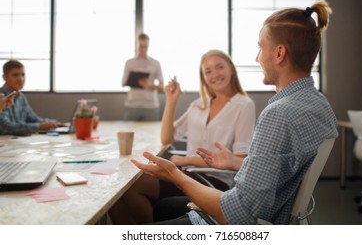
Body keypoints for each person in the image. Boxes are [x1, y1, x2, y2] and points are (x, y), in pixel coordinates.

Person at [132, 0, 339, 225]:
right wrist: (235, 161)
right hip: (272, 212)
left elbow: (238, 214)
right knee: (161, 208)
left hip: (238, 224)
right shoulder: (317, 104)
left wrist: (175, 175)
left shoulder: (278, 114)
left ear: (279, 53)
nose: (257, 58)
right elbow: (281, 166)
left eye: (261, 48)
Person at [109, 49, 256, 224]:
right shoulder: (198, 105)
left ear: (231, 69)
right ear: (203, 77)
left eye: (219, 67)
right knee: (120, 192)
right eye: (208, 71)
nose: (214, 74)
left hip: (213, 182)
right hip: (185, 174)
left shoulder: (243, 105)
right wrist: (171, 101)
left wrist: (186, 160)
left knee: (131, 188)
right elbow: (167, 138)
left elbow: (240, 158)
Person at [0, 59, 63, 136]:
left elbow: (33, 119)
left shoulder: (21, 97)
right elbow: (5, 127)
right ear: (4, 77)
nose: (21, 79)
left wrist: (54, 123)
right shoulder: (2, 97)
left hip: (17, 142)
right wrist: (39, 126)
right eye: (15, 75)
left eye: (23, 75)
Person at [122, 33, 164, 121]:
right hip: (132, 105)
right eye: (141, 46)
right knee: (128, 132)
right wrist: (134, 80)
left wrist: (150, 86)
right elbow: (123, 83)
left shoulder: (155, 63)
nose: (143, 49)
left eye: (146, 46)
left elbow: (162, 87)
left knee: (152, 133)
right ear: (136, 45)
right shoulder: (129, 63)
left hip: (151, 106)